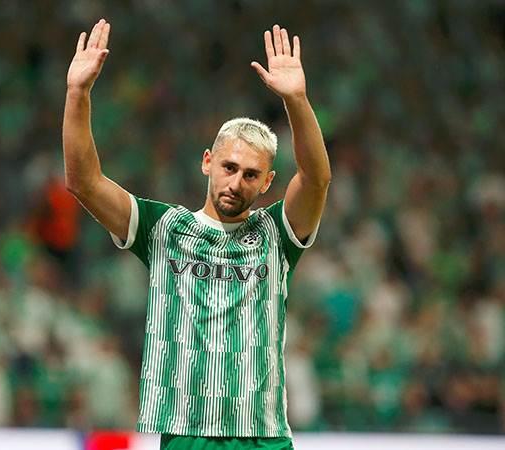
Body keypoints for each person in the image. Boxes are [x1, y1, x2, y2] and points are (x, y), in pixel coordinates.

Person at [63, 17, 331, 450]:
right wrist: (78, 93)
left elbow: (316, 179)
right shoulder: (163, 228)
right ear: (208, 162)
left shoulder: (276, 234)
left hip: (262, 436)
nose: (236, 182)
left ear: (267, 182)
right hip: (187, 433)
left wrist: (296, 101)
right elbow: (83, 182)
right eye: (229, 167)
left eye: (250, 174)